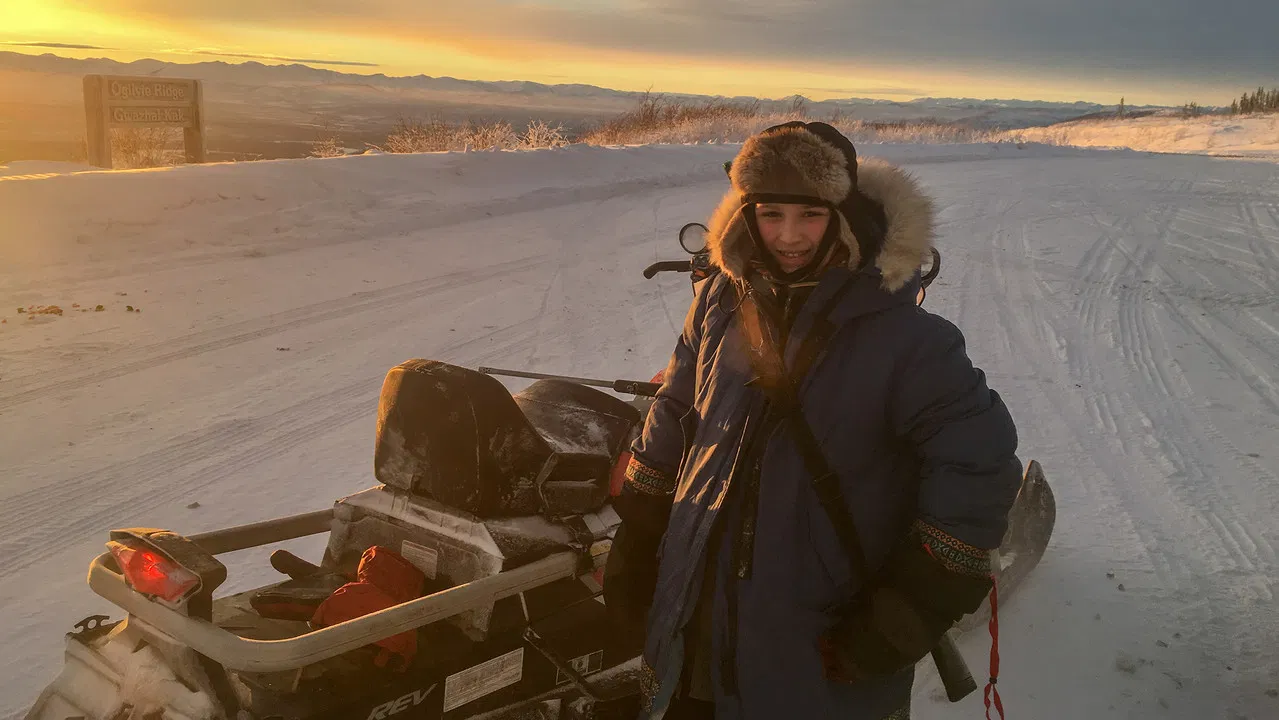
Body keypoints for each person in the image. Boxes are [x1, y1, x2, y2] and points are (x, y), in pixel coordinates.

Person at [603, 122, 1023, 720]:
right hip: (695, 615)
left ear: (844, 217)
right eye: (770, 214)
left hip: (821, 638)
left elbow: (979, 466)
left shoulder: (907, 340)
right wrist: (641, 530)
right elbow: (674, 408)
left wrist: (912, 607)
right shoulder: (720, 303)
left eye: (811, 215)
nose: (789, 236)